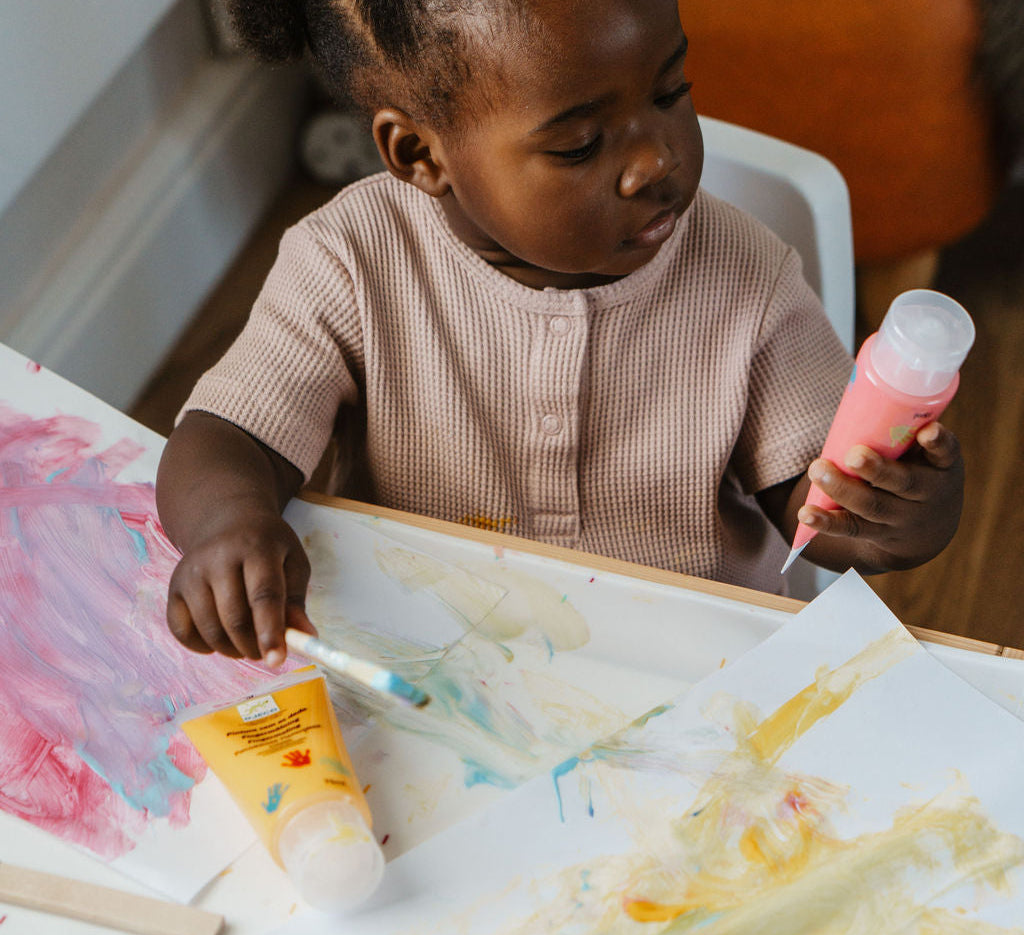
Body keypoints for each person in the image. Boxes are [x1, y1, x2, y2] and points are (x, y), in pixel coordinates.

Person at [156, 0, 965, 668]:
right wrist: (229, 524)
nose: (656, 160)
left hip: (697, 680)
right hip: (430, 662)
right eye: (579, 144)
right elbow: (229, 436)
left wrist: (894, 515)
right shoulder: (350, 260)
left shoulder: (745, 277)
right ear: (419, 155)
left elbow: (814, 505)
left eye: (671, 91)